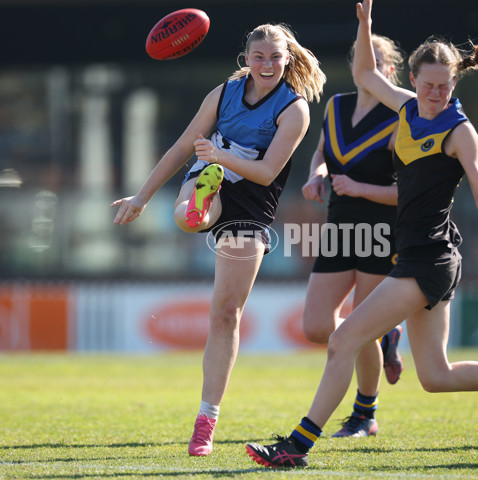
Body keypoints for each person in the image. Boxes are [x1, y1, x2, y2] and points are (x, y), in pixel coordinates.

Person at [245, 0, 478, 468]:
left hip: (429, 260)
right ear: (414, 81)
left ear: (454, 84)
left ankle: (296, 445)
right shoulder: (405, 107)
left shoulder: (460, 130)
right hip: (421, 255)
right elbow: (365, 75)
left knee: (344, 340)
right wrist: (365, 25)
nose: (436, 94)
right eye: (428, 85)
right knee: (436, 375)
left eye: (444, 86)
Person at [111, 23, 326, 457]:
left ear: (287, 60)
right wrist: (142, 195)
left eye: (274, 57)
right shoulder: (224, 92)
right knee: (189, 220)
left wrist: (220, 156)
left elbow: (266, 173)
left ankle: (205, 422)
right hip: (212, 171)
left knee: (226, 312)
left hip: (251, 198)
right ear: (245, 58)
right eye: (258, 56)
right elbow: (180, 147)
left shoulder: (294, 109)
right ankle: (200, 201)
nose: (266, 65)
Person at [300, 34, 405, 439]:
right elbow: (323, 153)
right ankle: (386, 334)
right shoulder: (336, 105)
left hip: (383, 230)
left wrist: (361, 189)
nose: (370, 66)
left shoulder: (402, 117)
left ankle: (365, 414)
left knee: (360, 330)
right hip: (340, 226)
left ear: (390, 71)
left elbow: (411, 192)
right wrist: (316, 175)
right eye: (364, 58)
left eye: (379, 61)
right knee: (314, 327)